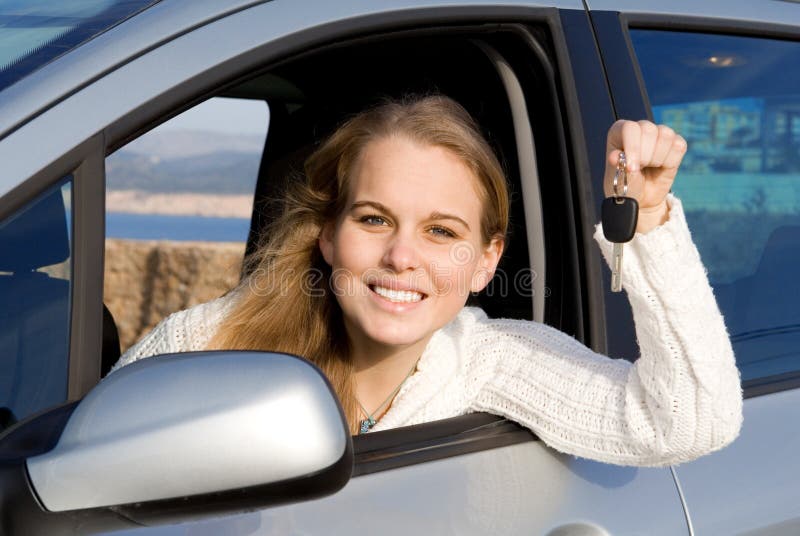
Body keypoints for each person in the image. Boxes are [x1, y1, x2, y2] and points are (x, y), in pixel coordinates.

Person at [111, 95, 742, 467]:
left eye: (441, 232)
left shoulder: (493, 362)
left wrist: (650, 223)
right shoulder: (214, 341)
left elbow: (688, 421)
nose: (401, 255)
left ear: (486, 262)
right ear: (329, 235)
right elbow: (88, 468)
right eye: (374, 218)